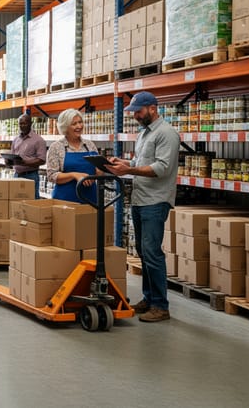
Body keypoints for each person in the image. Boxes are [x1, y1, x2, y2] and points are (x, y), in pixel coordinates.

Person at [105, 91, 179, 323]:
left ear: (153, 108)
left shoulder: (166, 133)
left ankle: (160, 305)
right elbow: (142, 163)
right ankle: (149, 298)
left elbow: (162, 168)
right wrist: (124, 164)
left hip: (155, 201)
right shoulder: (144, 134)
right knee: (143, 252)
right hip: (141, 198)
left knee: (152, 252)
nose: (135, 115)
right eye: (134, 112)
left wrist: (129, 171)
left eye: (138, 111)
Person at [46, 108, 99, 204]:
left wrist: (101, 171)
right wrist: (74, 175)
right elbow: (51, 176)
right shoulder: (56, 147)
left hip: (90, 200)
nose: (79, 126)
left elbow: (98, 172)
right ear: (65, 127)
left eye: (80, 122)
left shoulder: (90, 145)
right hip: (64, 200)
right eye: (74, 124)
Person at [9, 113, 47, 198]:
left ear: (30, 123)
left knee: (31, 201)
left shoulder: (39, 140)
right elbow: (12, 155)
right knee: (16, 200)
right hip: (16, 175)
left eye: (24, 123)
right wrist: (9, 161)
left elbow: (42, 160)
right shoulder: (16, 139)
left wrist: (24, 163)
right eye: (20, 124)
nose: (22, 126)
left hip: (30, 176)